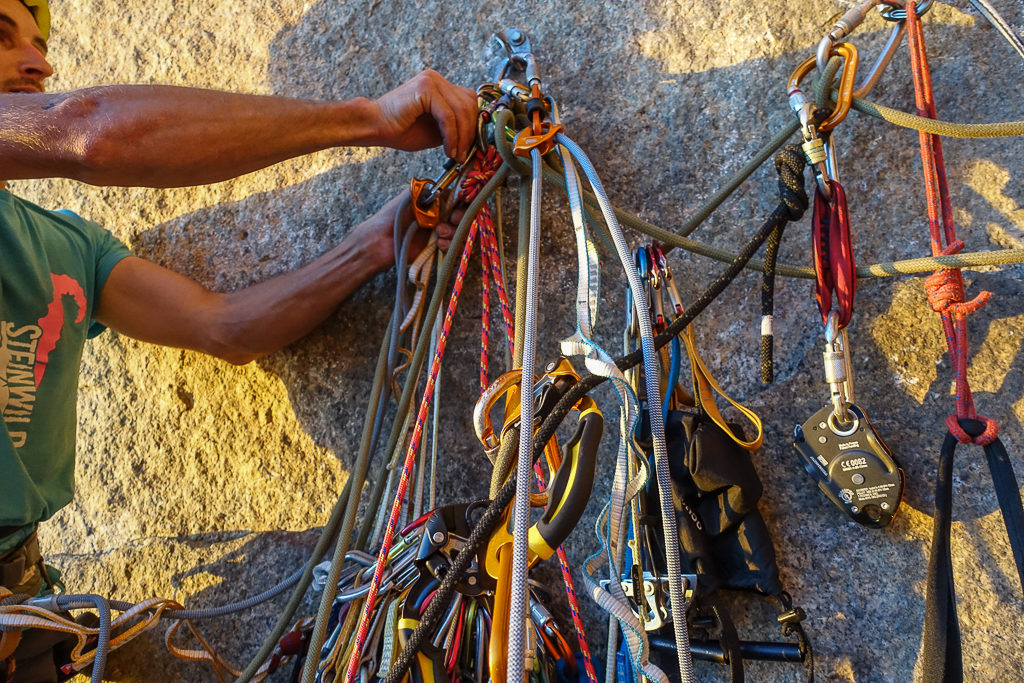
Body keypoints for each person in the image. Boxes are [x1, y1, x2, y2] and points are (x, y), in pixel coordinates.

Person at [0, 0, 473, 679]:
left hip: (25, 613)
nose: (40, 62)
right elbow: (84, 131)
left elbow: (222, 326)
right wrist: (367, 117)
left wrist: (375, 243)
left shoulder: (66, 247)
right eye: (2, 35)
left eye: (41, 41)